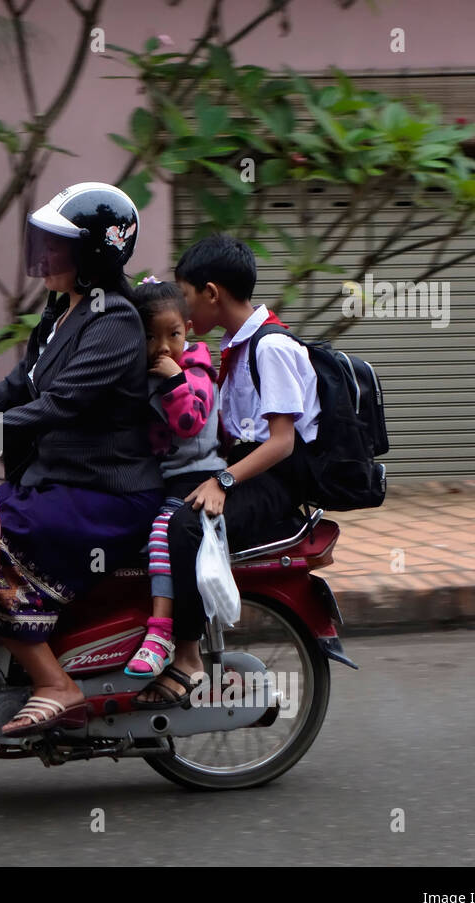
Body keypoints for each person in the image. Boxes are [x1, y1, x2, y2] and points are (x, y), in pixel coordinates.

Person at [0, 182, 163, 735]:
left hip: (105, 495)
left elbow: (55, 407)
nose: (45, 255)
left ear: (94, 254)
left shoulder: (116, 322)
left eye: (59, 245)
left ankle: (56, 683)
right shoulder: (62, 311)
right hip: (57, 482)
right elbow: (14, 388)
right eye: (45, 242)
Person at [137, 234, 320, 707]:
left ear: (212, 294)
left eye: (187, 295)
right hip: (242, 467)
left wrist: (221, 481)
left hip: (270, 480)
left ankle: (187, 657)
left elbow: (282, 442)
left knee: (185, 526)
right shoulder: (234, 345)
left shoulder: (271, 347)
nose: (182, 307)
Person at [121, 278, 226, 691]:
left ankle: (162, 632)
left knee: (163, 534)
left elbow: (190, 421)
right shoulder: (144, 375)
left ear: (187, 328)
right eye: (151, 337)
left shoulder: (194, 371)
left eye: (173, 334)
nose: (163, 347)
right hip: (167, 480)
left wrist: (173, 380)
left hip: (198, 477)